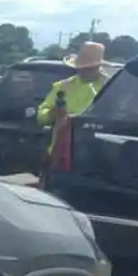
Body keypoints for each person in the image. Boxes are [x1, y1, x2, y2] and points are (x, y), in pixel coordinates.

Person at [34, 40, 110, 183]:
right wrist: (52, 114)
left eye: (89, 67)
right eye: (81, 67)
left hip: (95, 157)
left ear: (98, 66)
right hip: (59, 154)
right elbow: (41, 114)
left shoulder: (109, 87)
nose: (83, 70)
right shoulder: (62, 86)